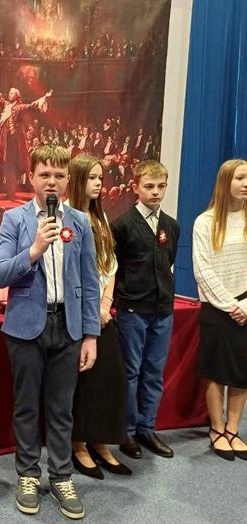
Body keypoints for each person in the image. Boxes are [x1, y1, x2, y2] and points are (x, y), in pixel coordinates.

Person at [0, 144, 100, 520]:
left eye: (58, 175)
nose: (51, 182)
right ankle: (27, 474)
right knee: (26, 406)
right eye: (44, 175)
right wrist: (34, 250)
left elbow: (89, 282)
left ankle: (61, 476)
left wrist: (91, 335)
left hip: (68, 326)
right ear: (32, 177)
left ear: (68, 180)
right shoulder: (14, 219)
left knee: (61, 408)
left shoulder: (80, 222)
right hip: (26, 327)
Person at [111, 160, 180, 460]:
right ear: (135, 188)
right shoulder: (122, 225)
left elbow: (168, 261)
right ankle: (126, 431)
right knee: (131, 372)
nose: (155, 192)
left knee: (153, 371)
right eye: (149, 186)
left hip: (162, 309)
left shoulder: (171, 226)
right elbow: (114, 268)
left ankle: (146, 428)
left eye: (161, 186)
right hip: (132, 310)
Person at [68, 155, 130, 478]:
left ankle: (100, 441)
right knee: (84, 383)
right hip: (79, 315)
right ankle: (78, 444)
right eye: (92, 178)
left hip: (103, 312)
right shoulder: (69, 217)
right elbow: (72, 274)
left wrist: (106, 302)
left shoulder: (100, 216)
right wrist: (94, 309)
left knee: (108, 379)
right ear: (78, 180)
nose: (98, 184)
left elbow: (110, 265)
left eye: (100, 178)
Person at [192, 159, 247, 461]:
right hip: (217, 307)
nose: (246, 183)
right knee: (216, 370)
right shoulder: (205, 222)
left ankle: (233, 429)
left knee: (241, 372)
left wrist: (245, 306)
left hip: (246, 307)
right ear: (226, 182)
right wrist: (230, 305)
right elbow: (203, 270)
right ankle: (217, 428)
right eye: (240, 178)